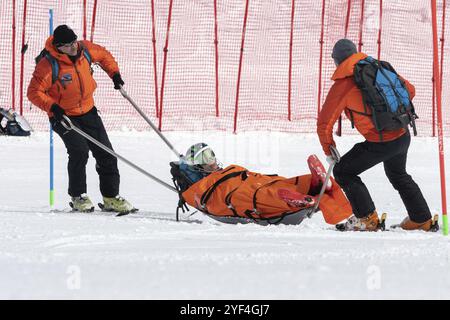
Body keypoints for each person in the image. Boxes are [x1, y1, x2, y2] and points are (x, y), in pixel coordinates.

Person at [317, 38, 436, 231]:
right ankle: (421, 219)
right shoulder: (379, 68)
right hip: (402, 134)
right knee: (398, 174)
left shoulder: (344, 84)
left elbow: (324, 123)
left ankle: (366, 218)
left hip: (381, 141)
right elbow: (410, 90)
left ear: (337, 60)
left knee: (343, 171)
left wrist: (329, 149)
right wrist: (389, 113)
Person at [27, 25, 135, 213]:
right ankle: (78, 196)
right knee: (79, 152)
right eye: (68, 45)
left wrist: (114, 74)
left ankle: (110, 197)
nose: (73, 47)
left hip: (88, 110)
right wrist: (52, 107)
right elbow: (34, 92)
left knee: (106, 153)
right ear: (59, 47)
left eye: (74, 42)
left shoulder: (85, 50)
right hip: (63, 116)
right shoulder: (48, 64)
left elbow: (104, 56)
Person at [170, 143, 352, 226]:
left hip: (241, 179)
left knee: (272, 183)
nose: (212, 161)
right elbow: (206, 199)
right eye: (205, 158)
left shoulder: (219, 170)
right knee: (255, 198)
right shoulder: (198, 188)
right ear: (197, 165)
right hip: (225, 194)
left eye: (211, 155)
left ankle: (310, 184)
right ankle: (296, 200)